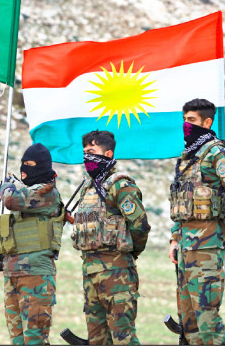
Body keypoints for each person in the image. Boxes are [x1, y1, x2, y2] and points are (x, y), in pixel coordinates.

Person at [167, 98, 225, 345]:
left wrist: (222, 224)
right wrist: (174, 239)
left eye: (191, 120)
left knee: (207, 317)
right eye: (184, 120)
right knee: (188, 319)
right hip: (185, 247)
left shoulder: (216, 153)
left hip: (207, 248)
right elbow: (181, 203)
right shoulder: (187, 157)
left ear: (207, 122)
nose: (186, 125)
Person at [71, 130, 150, 345]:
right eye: (85, 153)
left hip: (117, 274)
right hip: (90, 273)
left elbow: (140, 225)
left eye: (92, 151)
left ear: (108, 154)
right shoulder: (87, 188)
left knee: (123, 336)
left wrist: (129, 254)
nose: (87, 157)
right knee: (97, 338)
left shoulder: (120, 186)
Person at [0, 143, 63, 345]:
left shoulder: (46, 193)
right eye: (23, 163)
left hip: (35, 274)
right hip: (13, 273)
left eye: (30, 164)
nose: (24, 168)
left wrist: (6, 186)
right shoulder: (27, 195)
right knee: (18, 339)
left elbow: (10, 200)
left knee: (34, 337)